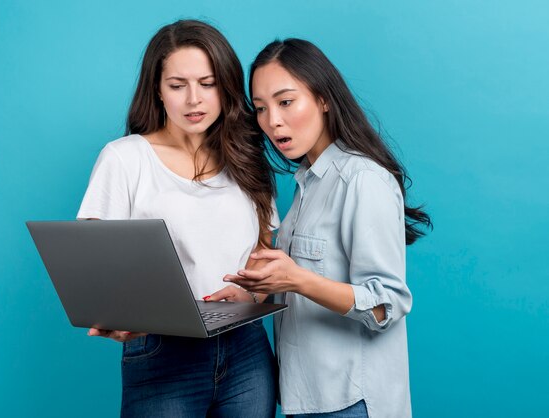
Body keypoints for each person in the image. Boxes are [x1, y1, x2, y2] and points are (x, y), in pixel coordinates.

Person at [215, 39, 432, 418]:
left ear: (324, 99)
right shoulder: (307, 185)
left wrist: (296, 279)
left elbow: (387, 304)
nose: (272, 121)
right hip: (305, 397)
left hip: (352, 401)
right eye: (262, 109)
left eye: (286, 102)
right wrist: (254, 297)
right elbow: (306, 286)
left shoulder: (363, 180)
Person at [76, 20, 278, 418]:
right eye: (177, 84)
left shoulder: (247, 157)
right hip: (162, 349)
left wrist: (252, 295)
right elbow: (93, 261)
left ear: (226, 86)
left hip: (246, 348)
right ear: (157, 89)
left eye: (207, 83)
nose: (193, 99)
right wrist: (116, 315)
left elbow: (264, 248)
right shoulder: (125, 158)